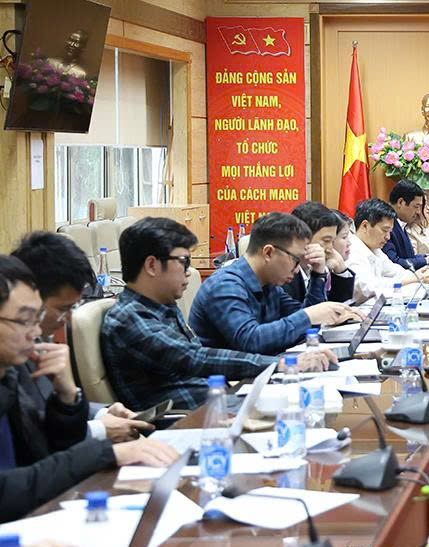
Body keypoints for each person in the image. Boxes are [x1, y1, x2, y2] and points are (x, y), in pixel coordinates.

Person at [0, 255, 179, 522]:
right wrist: (106, 452)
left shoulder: (9, 376)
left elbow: (48, 452)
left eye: (37, 318)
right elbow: (7, 490)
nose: (35, 331)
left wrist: (67, 397)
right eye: (25, 320)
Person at [103, 218, 336, 411]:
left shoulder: (161, 306)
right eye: (183, 261)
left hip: (218, 404)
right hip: (187, 422)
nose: (189, 271)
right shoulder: (129, 318)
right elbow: (195, 358)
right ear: (152, 266)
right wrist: (283, 364)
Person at [11, 232, 151, 442]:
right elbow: (28, 432)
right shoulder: (10, 350)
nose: (68, 319)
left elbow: (54, 404)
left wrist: (103, 413)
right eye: (63, 309)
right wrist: (99, 430)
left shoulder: (39, 336)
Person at [190, 212, 362, 355]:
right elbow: (251, 340)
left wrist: (318, 275)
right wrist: (310, 315)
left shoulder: (268, 284)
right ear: (268, 253)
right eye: (295, 260)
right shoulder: (225, 285)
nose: (297, 270)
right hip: (228, 382)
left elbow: (304, 324)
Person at [347, 198, 421, 301]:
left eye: (390, 232)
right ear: (365, 226)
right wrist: (411, 279)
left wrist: (418, 276)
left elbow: (396, 271)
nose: (388, 237)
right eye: (385, 230)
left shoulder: (374, 248)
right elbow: (369, 288)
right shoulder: (351, 251)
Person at [286, 201, 354, 305]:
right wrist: (318, 275)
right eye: (326, 241)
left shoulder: (311, 267)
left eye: (333, 241)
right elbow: (311, 313)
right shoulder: (284, 274)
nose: (330, 249)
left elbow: (337, 305)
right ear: (301, 238)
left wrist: (340, 269)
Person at [383, 180, 429, 271]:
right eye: (416, 206)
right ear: (401, 202)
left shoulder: (400, 223)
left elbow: (409, 257)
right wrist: (427, 260)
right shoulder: (385, 224)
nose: (419, 211)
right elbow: (393, 263)